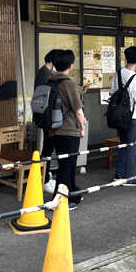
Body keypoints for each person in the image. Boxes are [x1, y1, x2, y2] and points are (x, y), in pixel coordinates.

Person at [47, 49, 86, 209]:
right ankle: (63, 200)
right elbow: (78, 110)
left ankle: (72, 193)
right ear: (71, 65)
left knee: (66, 163)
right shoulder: (67, 83)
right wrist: (82, 126)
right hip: (69, 129)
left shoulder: (50, 81)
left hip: (54, 129)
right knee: (67, 165)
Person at [109, 46, 136, 186]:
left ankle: (118, 174)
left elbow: (111, 93)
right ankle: (129, 177)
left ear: (125, 58)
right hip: (133, 116)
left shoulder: (118, 74)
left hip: (120, 116)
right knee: (131, 146)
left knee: (123, 144)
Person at [35, 50, 60, 194]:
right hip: (47, 116)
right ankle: (44, 180)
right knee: (48, 148)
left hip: (43, 115)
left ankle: (45, 176)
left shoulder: (43, 71)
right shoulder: (46, 74)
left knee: (48, 147)